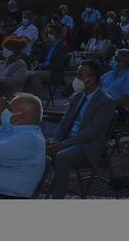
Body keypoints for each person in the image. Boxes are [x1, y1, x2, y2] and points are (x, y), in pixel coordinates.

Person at [45, 62, 121, 197]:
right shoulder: (77, 96)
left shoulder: (105, 102)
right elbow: (64, 123)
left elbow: (91, 133)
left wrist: (63, 144)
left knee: (61, 157)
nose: (77, 79)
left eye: (80, 75)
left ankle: (57, 197)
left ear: (91, 79)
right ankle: (28, 193)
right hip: (68, 140)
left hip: (87, 146)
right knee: (38, 149)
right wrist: (56, 140)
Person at [100, 49, 129, 119]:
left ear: (125, 62)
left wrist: (105, 105)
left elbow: (124, 100)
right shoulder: (108, 74)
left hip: (118, 110)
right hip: (101, 105)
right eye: (114, 57)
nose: (113, 60)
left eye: (117, 58)